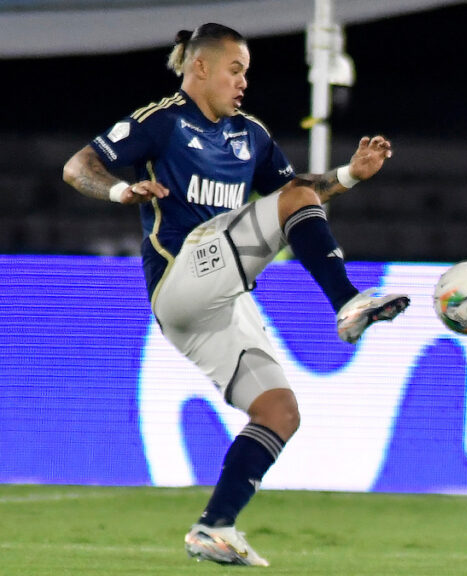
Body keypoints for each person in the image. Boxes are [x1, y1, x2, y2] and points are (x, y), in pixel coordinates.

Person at [62, 23, 409, 567]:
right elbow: (77, 166)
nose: (243, 81)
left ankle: (214, 526)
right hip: (179, 279)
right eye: (235, 69)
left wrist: (349, 174)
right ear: (200, 67)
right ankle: (347, 301)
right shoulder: (162, 120)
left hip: (217, 303)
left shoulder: (251, 135)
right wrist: (120, 188)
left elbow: (299, 194)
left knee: (279, 412)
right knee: (290, 203)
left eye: (246, 71)